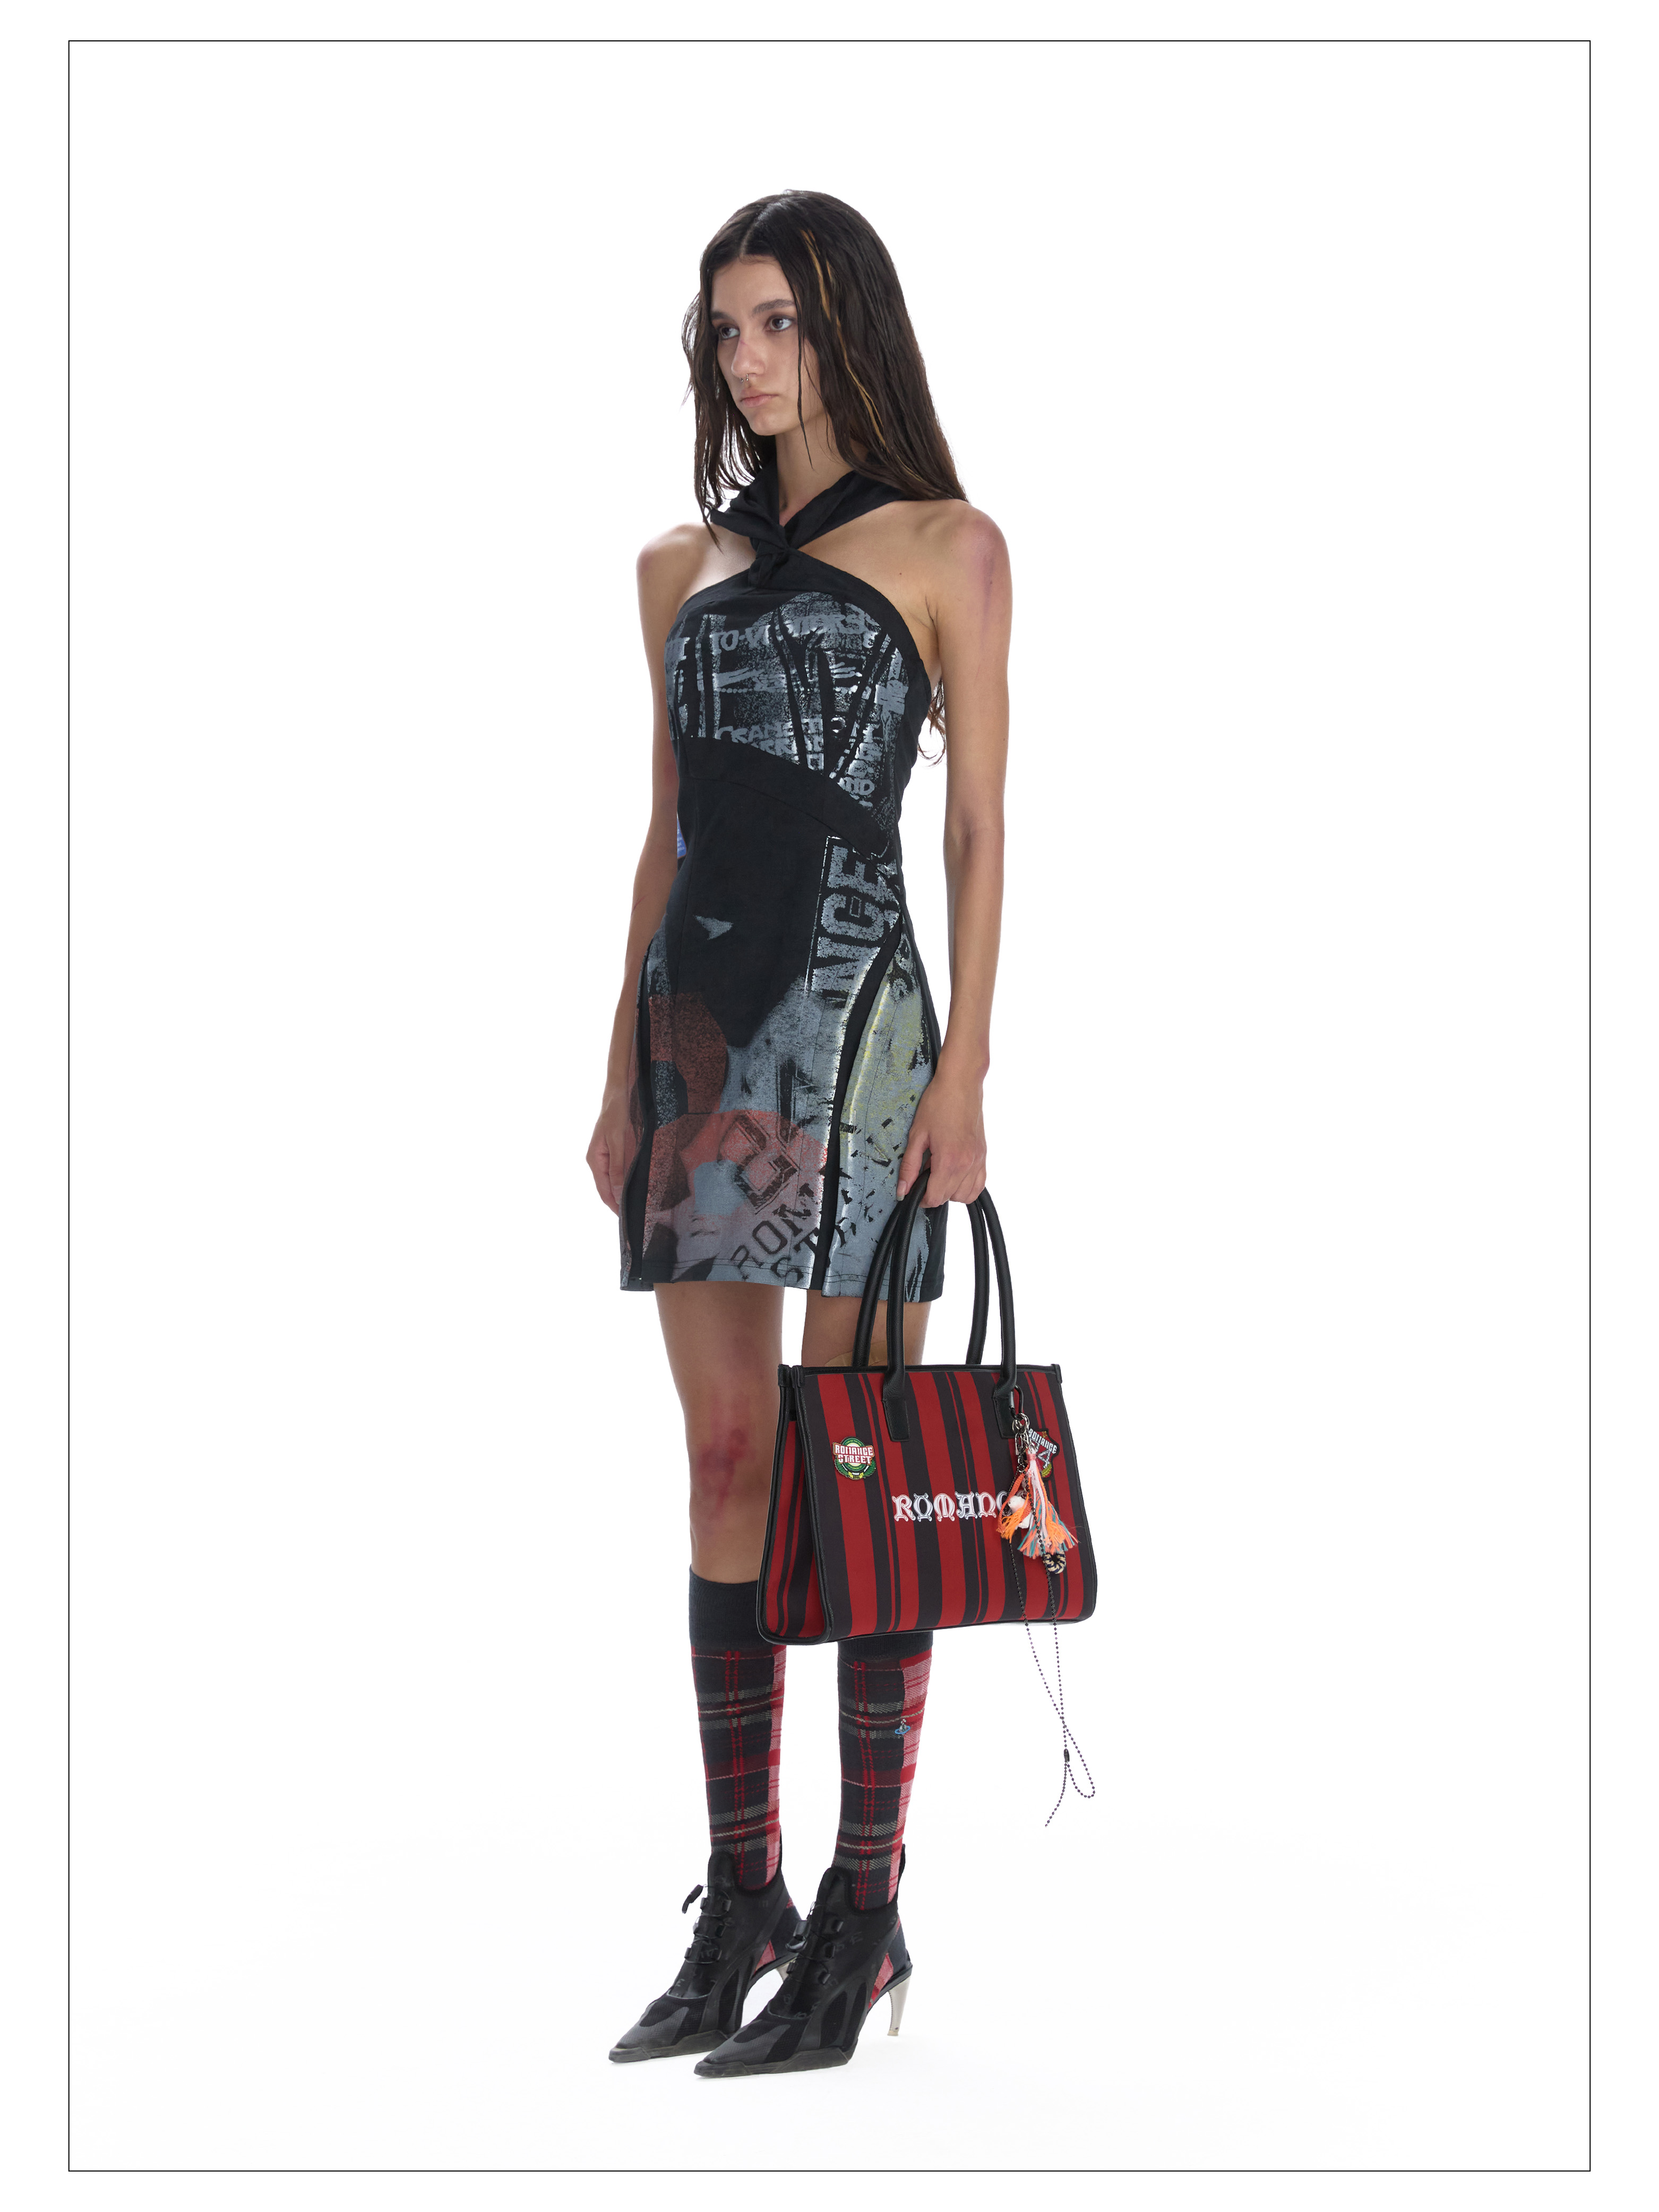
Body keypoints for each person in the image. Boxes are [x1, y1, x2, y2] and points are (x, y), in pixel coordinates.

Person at [586, 190, 1011, 2076]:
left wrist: (966, 1074)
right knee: (727, 1460)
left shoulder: (950, 545)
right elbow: (666, 833)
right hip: (702, 1038)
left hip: (861, 1037)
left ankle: (867, 1908)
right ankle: (743, 1896)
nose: (747, 361)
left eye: (776, 323)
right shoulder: (674, 568)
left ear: (846, 329)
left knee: (862, 1468)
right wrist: (619, 1072)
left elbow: (977, 827)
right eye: (725, 332)